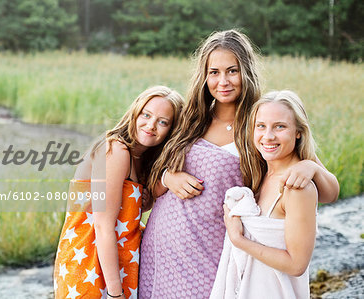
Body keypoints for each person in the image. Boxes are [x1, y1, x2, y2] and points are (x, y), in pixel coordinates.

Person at [139, 30, 339, 298]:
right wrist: (167, 178)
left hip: (211, 256)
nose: (223, 81)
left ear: (246, 72)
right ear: (204, 75)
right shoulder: (191, 118)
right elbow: (151, 188)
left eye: (232, 71)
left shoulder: (262, 122)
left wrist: (311, 167)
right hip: (160, 254)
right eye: (214, 72)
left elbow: (331, 193)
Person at [53, 86, 184, 299]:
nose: (151, 125)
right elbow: (103, 226)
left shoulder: (143, 160)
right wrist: (115, 293)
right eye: (146, 114)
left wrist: (167, 177)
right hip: (89, 263)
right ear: (135, 112)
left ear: (172, 129)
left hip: (119, 264)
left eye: (163, 121)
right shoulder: (115, 150)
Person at [210, 90, 319, 299]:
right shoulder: (261, 175)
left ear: (298, 131)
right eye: (261, 126)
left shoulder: (297, 188)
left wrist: (238, 239)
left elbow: (296, 264)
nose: (268, 136)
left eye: (280, 126)